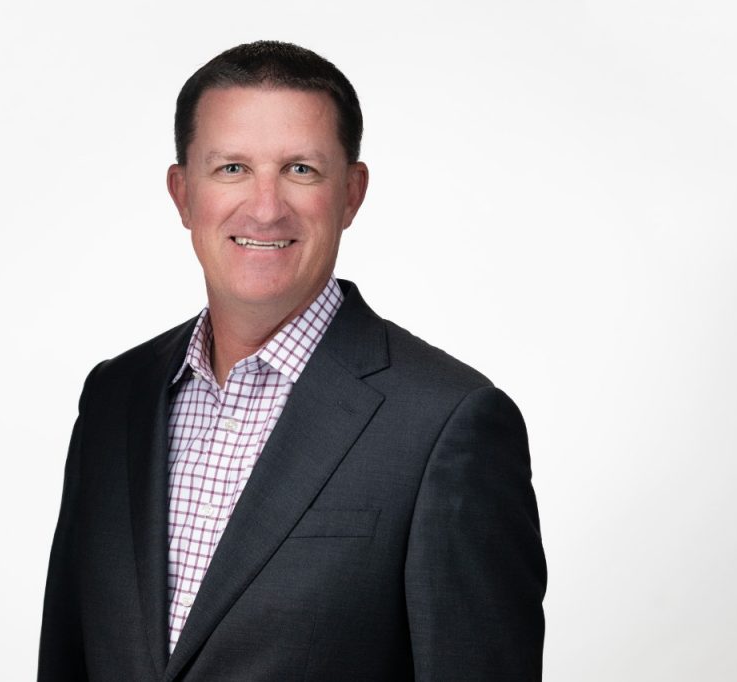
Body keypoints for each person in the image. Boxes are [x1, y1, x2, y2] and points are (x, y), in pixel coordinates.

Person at [38, 40, 546, 681]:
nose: (266, 206)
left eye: (301, 169)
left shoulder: (448, 424)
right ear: (182, 193)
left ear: (352, 194)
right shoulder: (116, 397)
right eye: (231, 169)